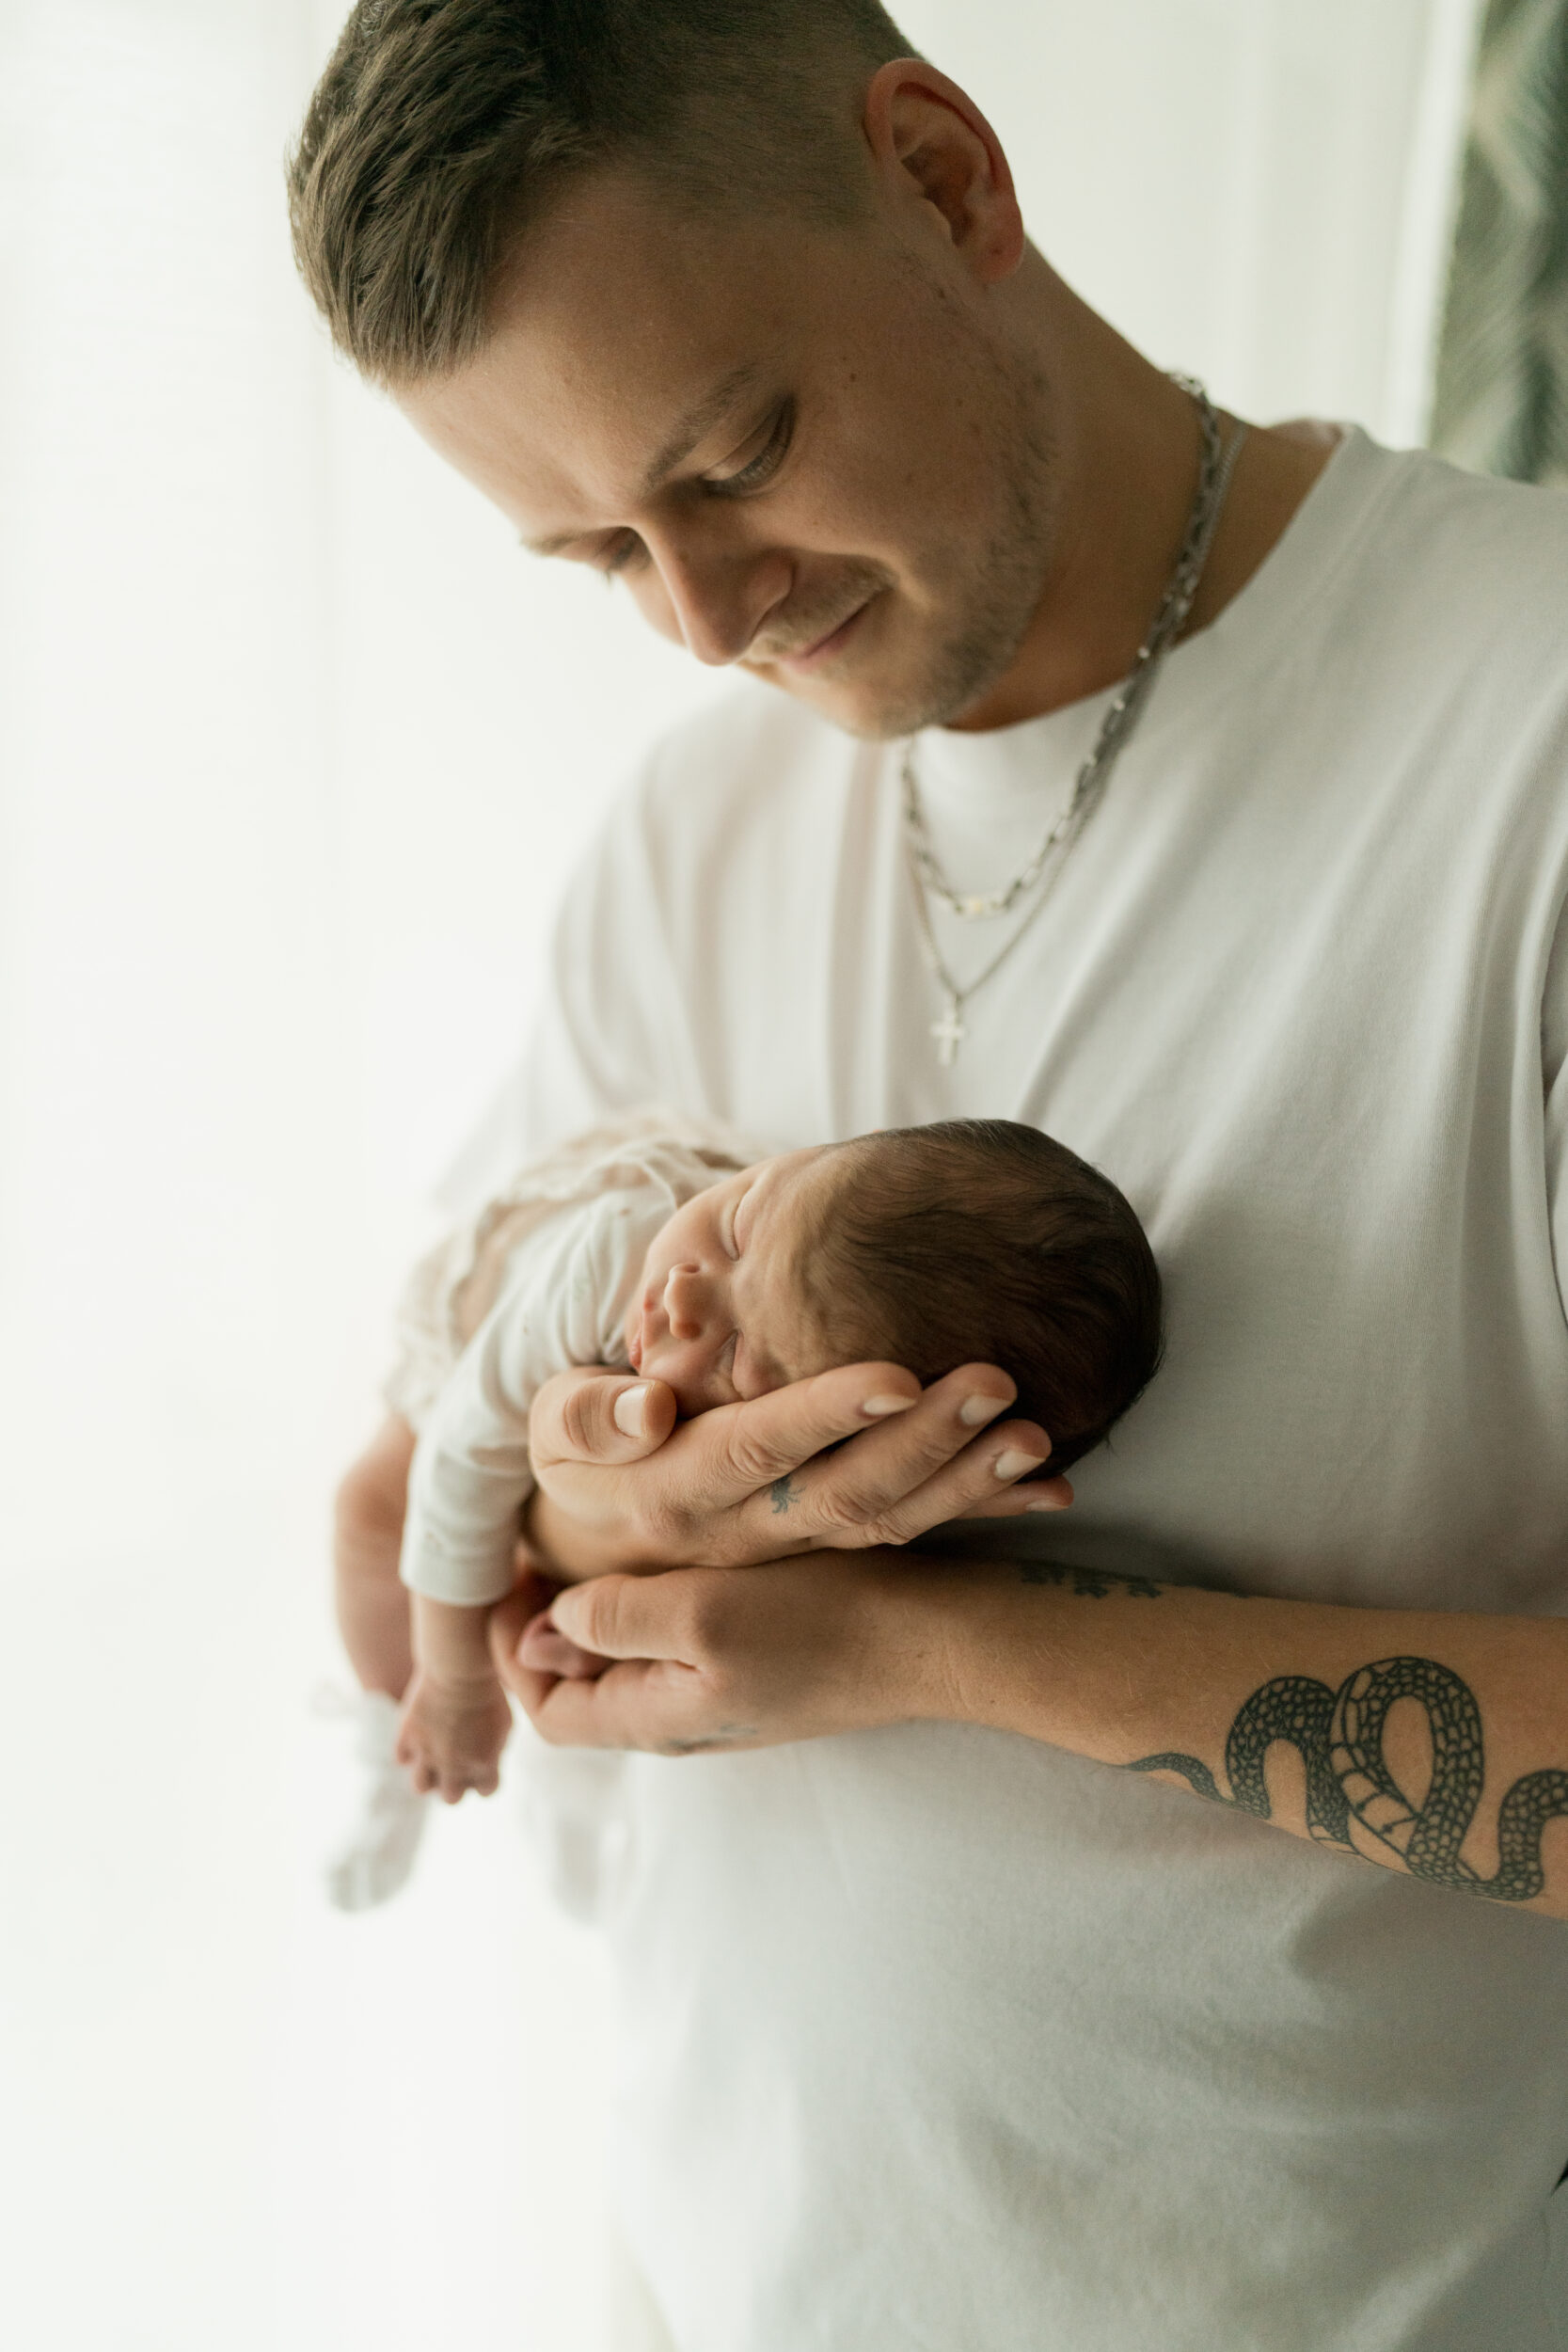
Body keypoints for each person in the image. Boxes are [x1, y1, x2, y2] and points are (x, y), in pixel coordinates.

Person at [289, 4, 1568, 2346]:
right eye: (597, 553)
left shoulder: (1524, 740)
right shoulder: (688, 828)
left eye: (732, 457)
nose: (704, 621)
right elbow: (406, 1523)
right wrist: (606, 1498)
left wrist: (921, 1642)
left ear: (945, 176)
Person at [327, 1112, 1158, 1907]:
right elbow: (462, 1453)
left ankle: (570, 1785)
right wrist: (456, 1678)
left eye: (734, 1356)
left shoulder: (835, 1428)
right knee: (372, 1516)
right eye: (735, 1231)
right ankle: (395, 1732)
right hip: (488, 1335)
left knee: (636, 1600)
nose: (681, 1297)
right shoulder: (620, 1249)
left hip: (651, 1466)